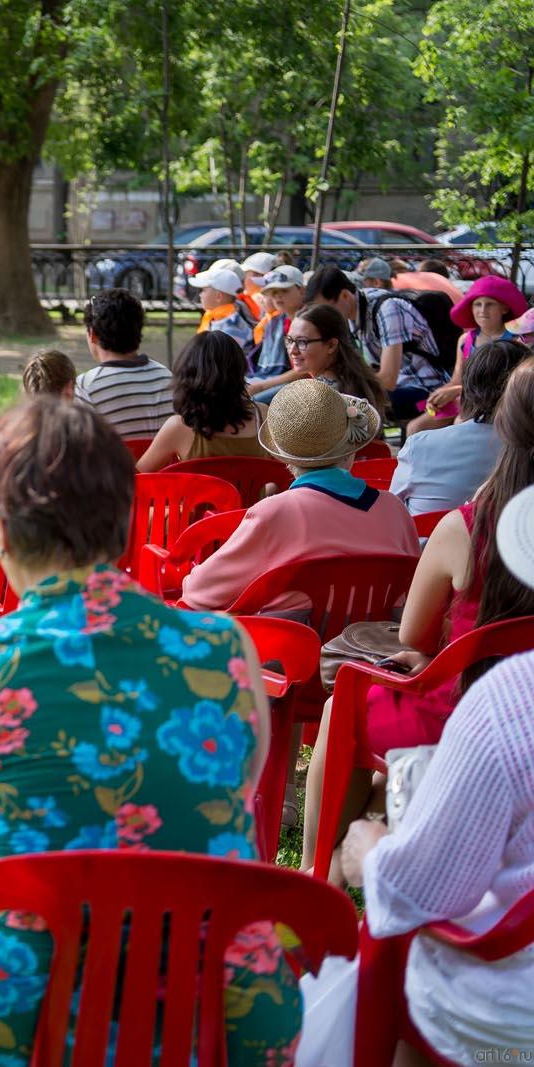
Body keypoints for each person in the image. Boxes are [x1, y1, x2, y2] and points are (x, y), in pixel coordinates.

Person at [0, 397, 300, 1066]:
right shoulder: (228, 651)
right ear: (123, 522)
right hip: (226, 1005)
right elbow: (235, 787)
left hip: (19, 1007)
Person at [305, 359, 534, 887]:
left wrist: (435, 657)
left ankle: (321, 873)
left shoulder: (468, 527)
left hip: (468, 707)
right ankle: (361, 845)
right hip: (498, 704)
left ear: (505, 425)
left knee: (346, 702)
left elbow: (412, 635)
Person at [336, 482, 534, 1064]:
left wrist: (370, 850)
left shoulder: (510, 701)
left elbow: (419, 891)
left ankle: (321, 875)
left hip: (505, 1018)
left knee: (390, 940)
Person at [180, 379, 418, 614]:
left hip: (292, 650)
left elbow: (200, 592)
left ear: (283, 456)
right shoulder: (394, 509)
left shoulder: (274, 513)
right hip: (377, 648)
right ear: (352, 447)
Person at [393, 340, 526, 515]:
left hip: (427, 541)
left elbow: (392, 512)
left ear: (467, 389)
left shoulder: (418, 446)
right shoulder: (523, 446)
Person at [305, 265, 449, 420]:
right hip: (400, 385)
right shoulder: (353, 312)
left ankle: (371, 444)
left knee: (349, 402)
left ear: (345, 296)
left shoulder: (388, 308)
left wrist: (342, 388)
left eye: (327, 309)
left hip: (426, 390)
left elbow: (388, 380)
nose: (324, 317)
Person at [407, 275, 529, 435]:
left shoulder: (517, 342)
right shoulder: (466, 340)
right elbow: (457, 379)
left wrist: (457, 391)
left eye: (490, 304)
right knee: (415, 428)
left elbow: (514, 385)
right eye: (477, 304)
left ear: (504, 309)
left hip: (498, 404)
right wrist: (439, 395)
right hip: (465, 401)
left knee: (460, 424)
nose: (482, 310)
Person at [138, 333, 271, 471]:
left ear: (187, 375)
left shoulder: (179, 427)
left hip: (195, 494)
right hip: (254, 493)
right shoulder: (262, 415)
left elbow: (137, 478)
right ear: (239, 370)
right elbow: (281, 473)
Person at [73, 288, 173, 440]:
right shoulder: (166, 377)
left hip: (115, 464)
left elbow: (81, 446)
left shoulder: (86, 386)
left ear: (93, 334)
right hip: (165, 464)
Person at [282, 304, 389, 414]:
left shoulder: (320, 395)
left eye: (302, 342)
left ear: (331, 345)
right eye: (290, 340)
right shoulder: (353, 380)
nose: (292, 350)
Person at [247, 265, 306, 402]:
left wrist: (260, 386)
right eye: (273, 292)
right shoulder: (280, 321)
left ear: (301, 291)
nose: (278, 296)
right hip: (284, 382)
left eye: (284, 290)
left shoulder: (307, 322)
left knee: (250, 405)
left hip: (305, 386)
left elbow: (304, 372)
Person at [194, 266, 258, 351]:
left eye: (204, 290)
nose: (200, 295)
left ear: (218, 296)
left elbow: (221, 361)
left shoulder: (232, 326)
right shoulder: (217, 319)